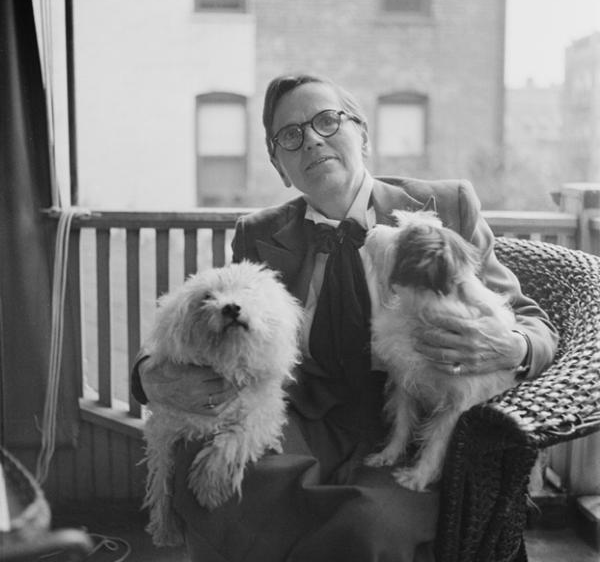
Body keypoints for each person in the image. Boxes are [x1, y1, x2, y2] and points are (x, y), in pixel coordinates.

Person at [132, 74, 558, 562]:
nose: (311, 138)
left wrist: (514, 348)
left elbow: (530, 322)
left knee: (370, 527)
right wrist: (149, 373)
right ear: (280, 166)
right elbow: (194, 308)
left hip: (413, 422)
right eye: (290, 135)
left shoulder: (444, 207)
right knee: (207, 475)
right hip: (301, 418)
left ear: (363, 135)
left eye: (327, 120)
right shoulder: (260, 234)